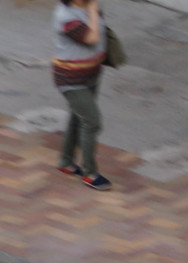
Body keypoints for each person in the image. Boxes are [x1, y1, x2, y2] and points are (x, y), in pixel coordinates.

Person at [52, 0, 110, 190]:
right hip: (71, 80)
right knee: (92, 122)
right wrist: (93, 10)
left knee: (78, 117)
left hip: (90, 74)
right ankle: (90, 174)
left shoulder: (88, 5)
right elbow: (92, 37)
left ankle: (65, 162)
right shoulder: (65, 16)